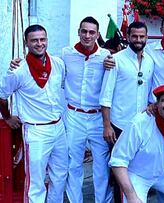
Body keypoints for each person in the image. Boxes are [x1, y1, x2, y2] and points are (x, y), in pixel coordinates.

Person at [0, 24, 68, 202]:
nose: (39, 43)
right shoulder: (18, 70)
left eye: (42, 39)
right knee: (35, 183)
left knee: (60, 176)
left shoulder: (58, 63)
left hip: (58, 127)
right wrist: (7, 117)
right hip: (36, 131)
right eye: (34, 40)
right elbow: (1, 96)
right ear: (26, 43)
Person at [99, 21, 154, 203]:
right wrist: (107, 125)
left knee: (137, 170)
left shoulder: (150, 61)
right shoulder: (116, 60)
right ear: (128, 37)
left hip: (141, 125)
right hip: (119, 125)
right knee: (118, 171)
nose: (138, 40)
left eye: (142, 36)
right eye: (135, 36)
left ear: (146, 38)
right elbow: (106, 95)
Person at [61, 16, 113, 203]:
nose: (87, 35)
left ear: (97, 34)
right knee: (73, 163)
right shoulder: (66, 54)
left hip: (98, 117)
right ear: (78, 32)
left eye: (92, 32)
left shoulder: (107, 56)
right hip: (74, 115)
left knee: (101, 165)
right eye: (84, 31)